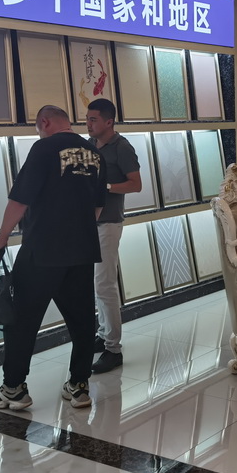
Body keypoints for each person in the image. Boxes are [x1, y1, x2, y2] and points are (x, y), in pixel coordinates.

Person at [0, 105, 106, 410]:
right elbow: (97, 206)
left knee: (22, 320)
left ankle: (13, 389)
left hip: (43, 250)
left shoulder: (43, 149)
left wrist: (2, 237)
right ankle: (79, 386)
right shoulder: (95, 154)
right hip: (82, 251)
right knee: (82, 321)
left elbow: (19, 200)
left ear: (44, 122)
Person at [85, 97, 141, 373]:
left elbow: (136, 184)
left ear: (109, 121)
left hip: (108, 222)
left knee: (105, 284)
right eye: (87, 119)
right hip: (88, 222)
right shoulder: (89, 145)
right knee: (96, 284)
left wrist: (105, 187)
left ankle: (113, 349)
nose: (88, 124)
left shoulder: (122, 147)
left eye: (93, 119)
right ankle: (103, 332)